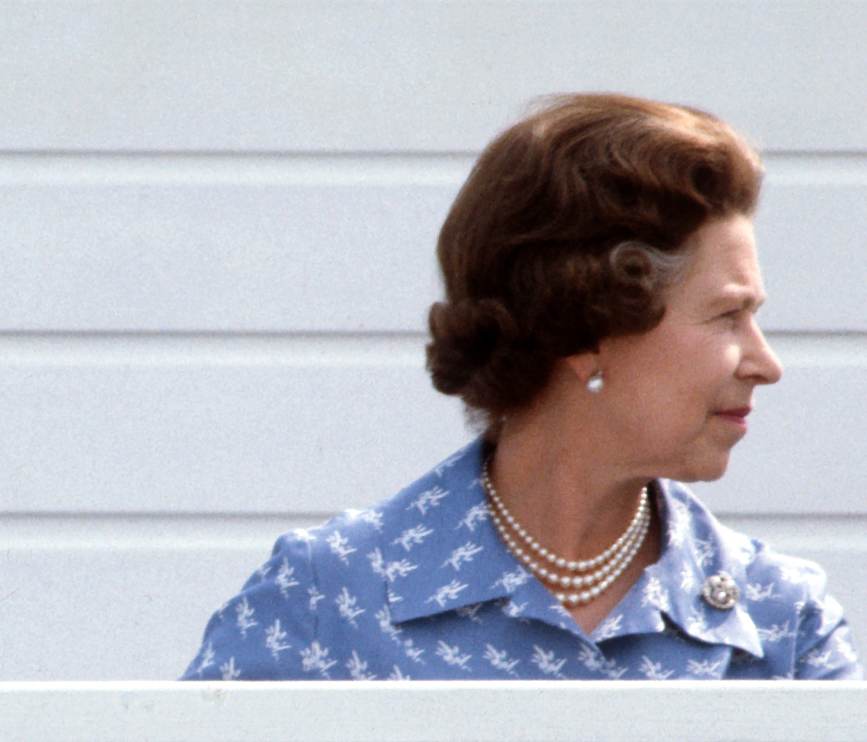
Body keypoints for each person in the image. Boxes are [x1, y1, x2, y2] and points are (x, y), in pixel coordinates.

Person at [183, 94, 856, 681]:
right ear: (585, 325)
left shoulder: (778, 625)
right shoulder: (328, 599)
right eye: (725, 316)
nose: (765, 363)